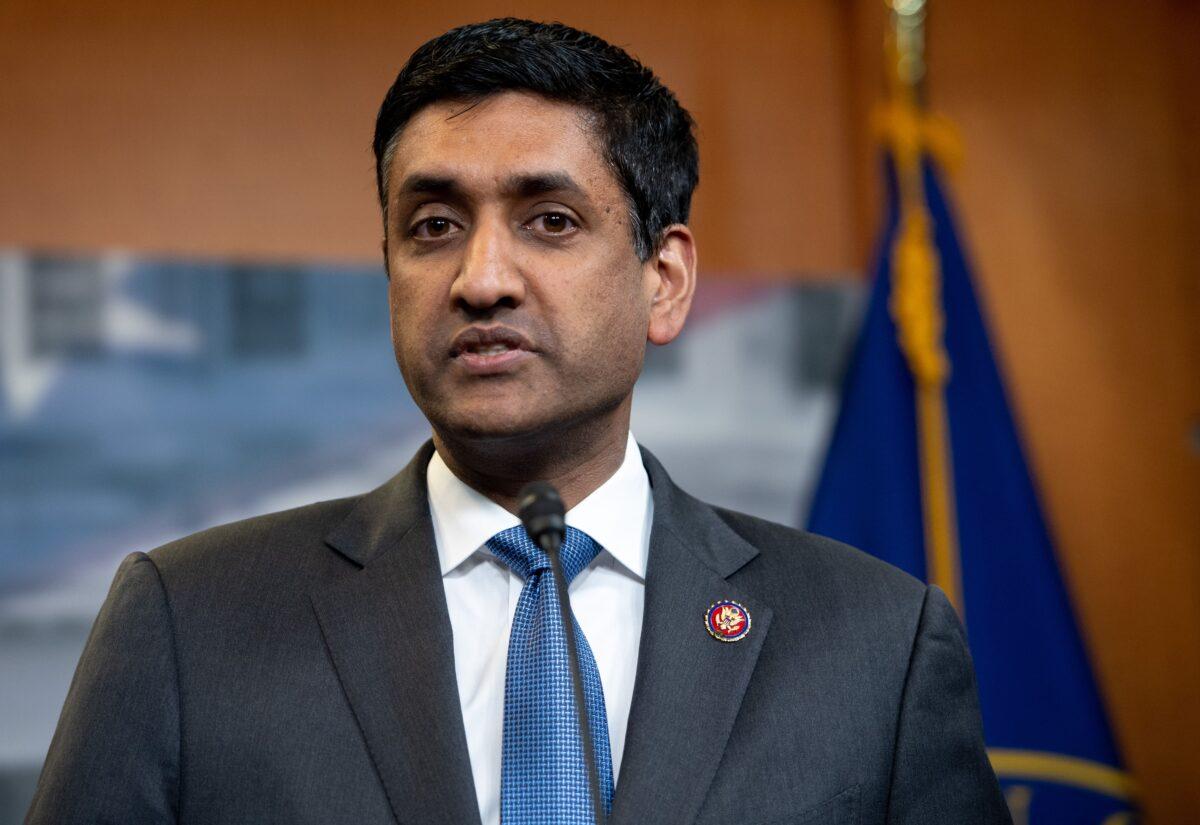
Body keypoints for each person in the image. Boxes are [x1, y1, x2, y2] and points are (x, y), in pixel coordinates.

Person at [27, 18, 1010, 825]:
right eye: (432, 227)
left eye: (550, 221)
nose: (480, 279)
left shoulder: (876, 643)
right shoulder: (187, 622)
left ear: (664, 283)